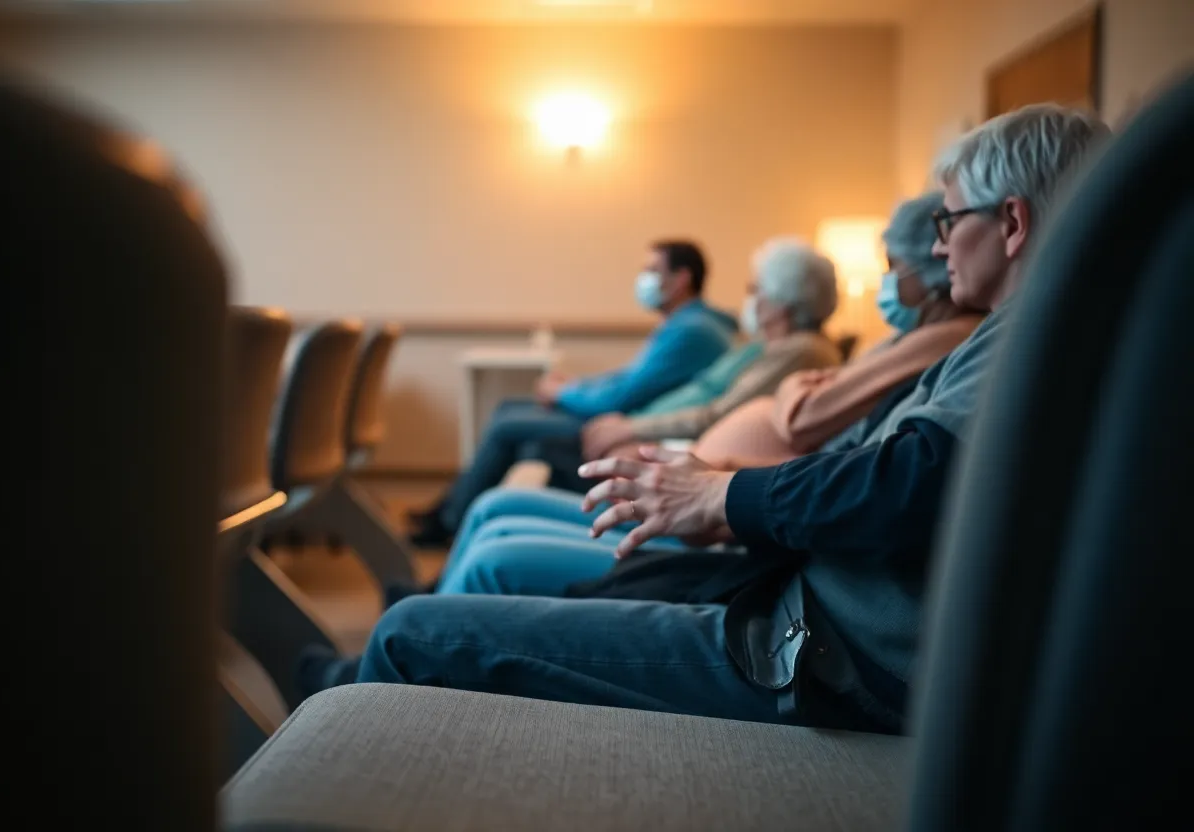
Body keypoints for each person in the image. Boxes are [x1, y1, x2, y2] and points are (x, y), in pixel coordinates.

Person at [312, 105, 1110, 731]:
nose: (938, 251)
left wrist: (721, 497)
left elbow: (906, 480)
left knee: (417, 632)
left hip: (816, 652)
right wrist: (717, 497)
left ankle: (342, 691)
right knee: (468, 591)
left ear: (1010, 224)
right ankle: (343, 682)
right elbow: (883, 463)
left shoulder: (1029, 338)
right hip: (799, 605)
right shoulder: (1038, 338)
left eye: (947, 224)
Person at [399, 192, 981, 600]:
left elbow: (789, 415)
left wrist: (655, 442)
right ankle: (432, 576)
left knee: (503, 490)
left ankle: (427, 585)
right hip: (699, 481)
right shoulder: (773, 346)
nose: (747, 299)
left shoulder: (810, 352)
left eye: (756, 290)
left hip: (710, 503)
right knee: (501, 495)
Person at [408, 239, 737, 547]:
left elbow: (620, 396)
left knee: (508, 426)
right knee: (510, 410)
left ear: (681, 279)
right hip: (625, 416)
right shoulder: (687, 324)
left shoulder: (694, 331)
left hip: (624, 422)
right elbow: (626, 379)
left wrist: (564, 392)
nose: (643, 279)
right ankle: (451, 508)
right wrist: (573, 386)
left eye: (652, 270)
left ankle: (450, 520)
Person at [692, 190, 986, 469]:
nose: (887, 278)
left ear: (931, 271)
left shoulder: (944, 337)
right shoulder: (912, 336)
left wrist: (724, 477)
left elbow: (802, 419)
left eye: (892, 265)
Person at [538, 237, 843, 493]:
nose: (749, 299)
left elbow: (718, 413)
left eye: (755, 290)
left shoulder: (803, 350)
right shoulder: (764, 345)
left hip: (686, 458)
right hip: (658, 437)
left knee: (540, 450)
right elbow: (699, 393)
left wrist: (633, 429)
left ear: (783, 301)